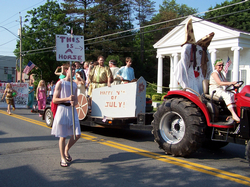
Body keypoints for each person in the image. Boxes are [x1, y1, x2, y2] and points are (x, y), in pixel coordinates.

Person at [51, 63, 81, 167]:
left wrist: (74, 102)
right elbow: (54, 99)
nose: (73, 71)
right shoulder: (60, 83)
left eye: (74, 70)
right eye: (71, 69)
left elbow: (76, 101)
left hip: (71, 110)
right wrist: (67, 99)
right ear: (66, 71)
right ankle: (62, 158)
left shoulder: (74, 84)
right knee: (62, 136)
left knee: (77, 134)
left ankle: (66, 149)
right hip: (62, 109)